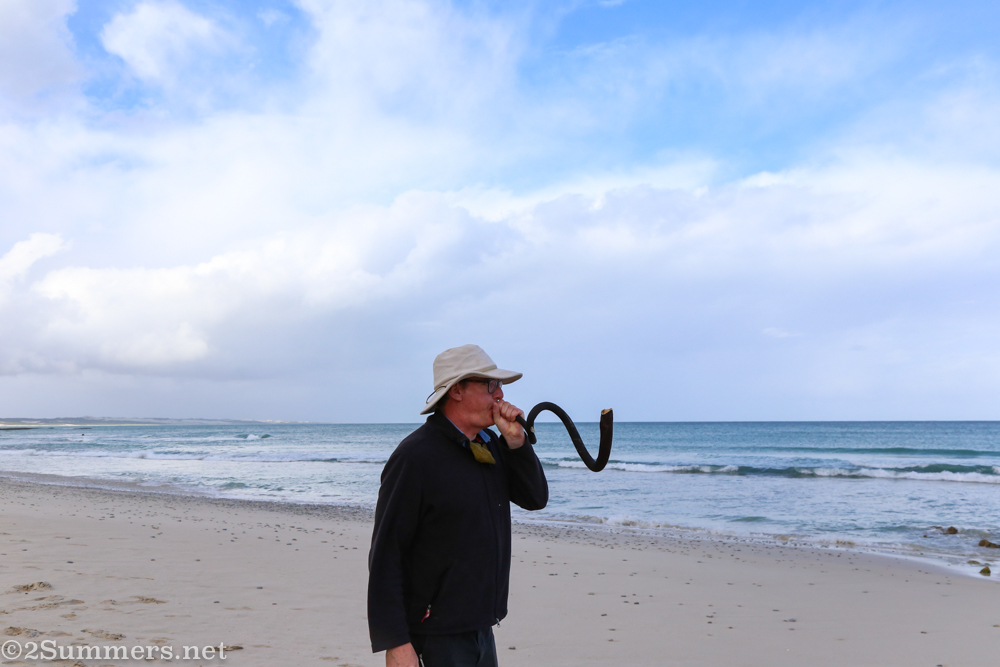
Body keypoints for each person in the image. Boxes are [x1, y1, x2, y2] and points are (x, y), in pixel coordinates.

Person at [368, 344, 549, 667]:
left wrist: (517, 444)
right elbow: (386, 554)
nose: (500, 394)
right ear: (456, 391)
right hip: (434, 635)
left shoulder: (489, 444)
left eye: (500, 386)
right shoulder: (415, 457)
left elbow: (535, 498)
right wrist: (395, 642)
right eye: (490, 385)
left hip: (481, 628)